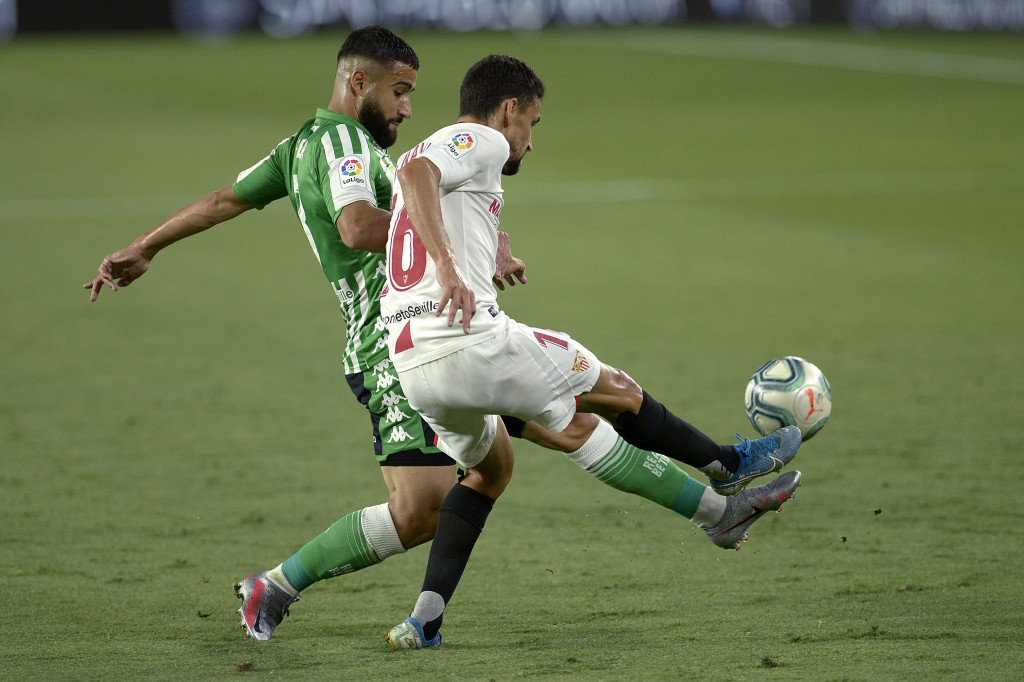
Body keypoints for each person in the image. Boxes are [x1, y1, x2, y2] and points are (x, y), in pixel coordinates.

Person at [84, 29, 796, 644]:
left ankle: (406, 612)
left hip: (402, 345)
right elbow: (361, 227)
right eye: (398, 92)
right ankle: (724, 485)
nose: (406, 108)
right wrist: (453, 262)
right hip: (396, 345)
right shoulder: (343, 144)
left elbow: (223, 200)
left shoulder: (299, 142)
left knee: (494, 468)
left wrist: (147, 245)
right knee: (561, 421)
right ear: (356, 81)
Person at [381, 54, 803, 650]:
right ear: (509, 111)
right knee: (617, 391)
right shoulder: (479, 140)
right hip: (468, 340)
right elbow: (419, 175)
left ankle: (424, 618)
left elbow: (428, 194)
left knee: (489, 471)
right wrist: (454, 270)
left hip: (413, 365)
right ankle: (732, 470)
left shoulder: (447, 149)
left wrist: (486, 252)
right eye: (533, 123)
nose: (530, 141)